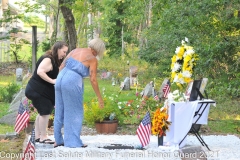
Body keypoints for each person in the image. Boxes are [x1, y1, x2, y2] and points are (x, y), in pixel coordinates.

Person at [54, 38, 105, 148]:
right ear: (98, 50)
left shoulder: (74, 50)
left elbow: (61, 66)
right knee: (74, 111)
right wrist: (100, 98)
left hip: (60, 78)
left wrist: (59, 80)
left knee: (59, 109)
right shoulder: (92, 58)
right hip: (72, 81)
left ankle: (58, 140)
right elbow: (93, 79)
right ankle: (72, 142)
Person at [25, 41, 68, 144]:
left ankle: (37, 136)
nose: (64, 54)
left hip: (39, 90)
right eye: (64, 51)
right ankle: (43, 137)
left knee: (42, 112)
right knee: (45, 112)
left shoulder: (53, 59)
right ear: (58, 49)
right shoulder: (48, 59)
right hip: (37, 90)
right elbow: (40, 71)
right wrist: (53, 81)